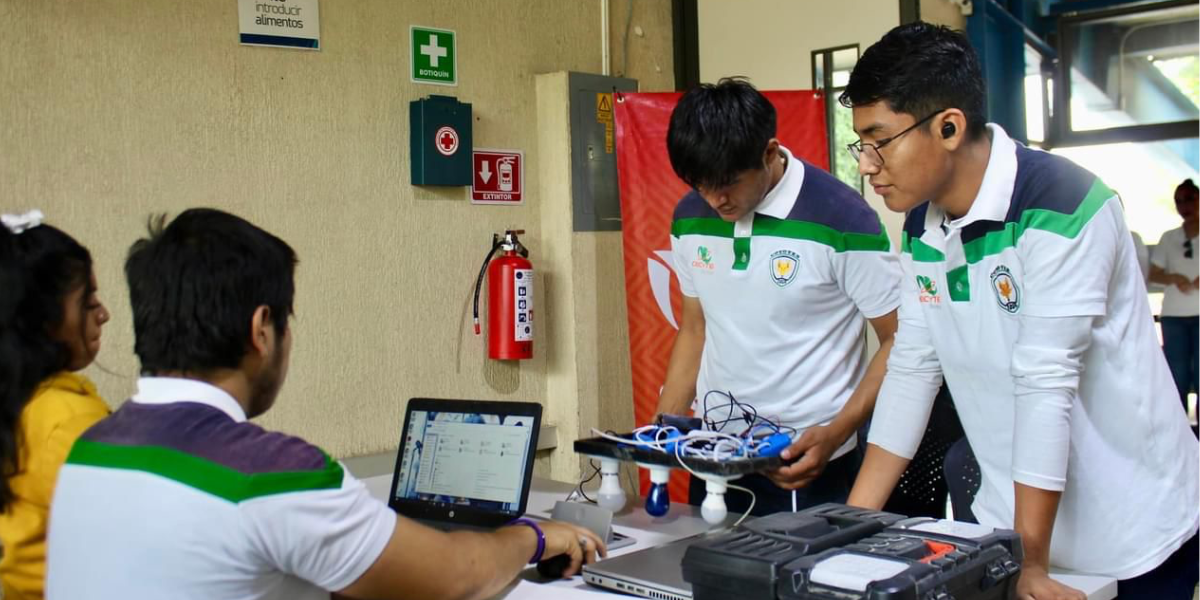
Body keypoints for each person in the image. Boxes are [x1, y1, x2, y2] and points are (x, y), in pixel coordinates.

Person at [45, 209, 604, 600]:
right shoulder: (269, 475)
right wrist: (532, 535)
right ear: (262, 329)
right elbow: (454, 579)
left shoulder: (89, 451)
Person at [840, 22, 1199, 600]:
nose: (867, 164)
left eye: (879, 140)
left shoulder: (1064, 206)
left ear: (949, 127)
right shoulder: (922, 227)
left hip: (1129, 530)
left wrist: (1032, 563)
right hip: (1009, 525)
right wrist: (849, 531)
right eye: (863, 143)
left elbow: (1044, 382)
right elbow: (912, 369)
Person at [658, 78, 902, 515]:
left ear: (769, 152)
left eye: (729, 183)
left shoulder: (843, 218)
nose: (716, 200)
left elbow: (901, 340)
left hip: (806, 462)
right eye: (701, 185)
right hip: (716, 457)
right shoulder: (688, 217)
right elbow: (695, 328)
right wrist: (663, 430)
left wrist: (836, 430)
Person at [0, 210, 111, 600]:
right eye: (87, 302)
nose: (103, 314)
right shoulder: (67, 421)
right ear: (42, 320)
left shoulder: (18, 403)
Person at [1150, 179, 1199, 413]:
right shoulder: (1169, 237)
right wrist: (1173, 277)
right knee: (1176, 376)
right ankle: (1179, 436)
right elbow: (1154, 273)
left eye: (1189, 198)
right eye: (1179, 201)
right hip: (1174, 316)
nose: (1184, 205)